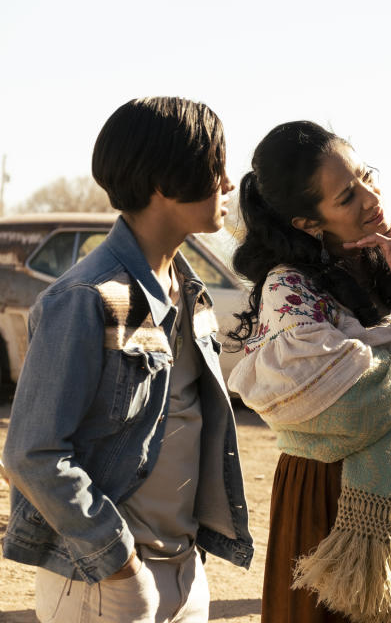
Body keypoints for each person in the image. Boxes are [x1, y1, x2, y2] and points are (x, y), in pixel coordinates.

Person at [2, 97, 254, 623]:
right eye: (215, 166)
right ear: (164, 182)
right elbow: (31, 454)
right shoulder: (87, 298)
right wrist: (120, 564)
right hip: (107, 583)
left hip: (184, 570)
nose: (228, 182)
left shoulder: (190, 293)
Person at [226, 121, 391, 623]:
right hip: (330, 504)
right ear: (307, 223)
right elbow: (347, 408)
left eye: (368, 176)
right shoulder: (290, 290)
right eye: (347, 197)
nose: (372, 198)